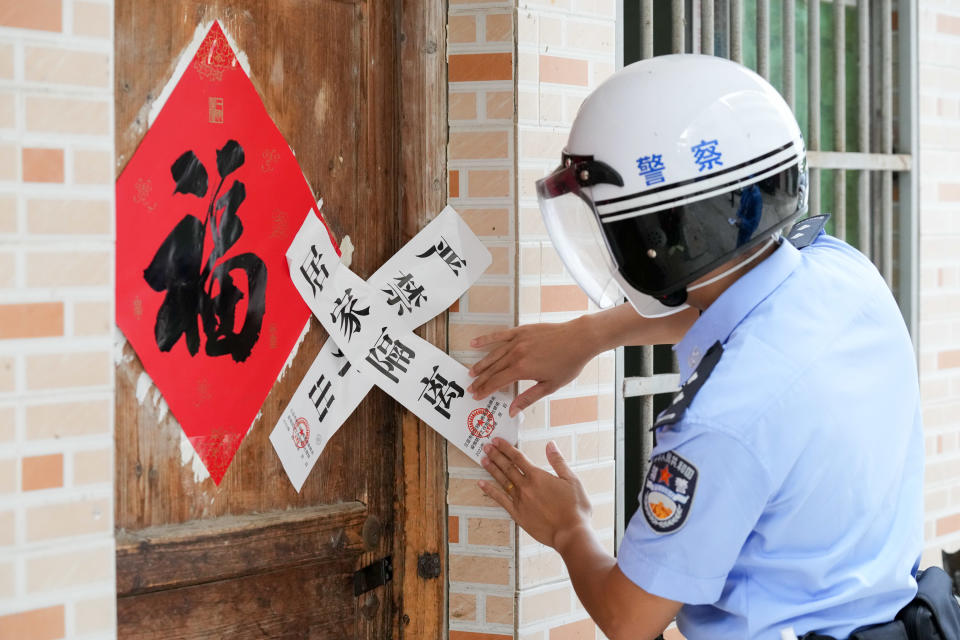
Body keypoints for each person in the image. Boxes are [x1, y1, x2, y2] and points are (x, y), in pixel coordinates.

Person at [467, 54, 940, 639]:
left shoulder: (721, 422)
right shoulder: (844, 274)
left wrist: (569, 529)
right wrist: (589, 336)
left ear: (659, 233)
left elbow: (629, 617)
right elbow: (742, 317)